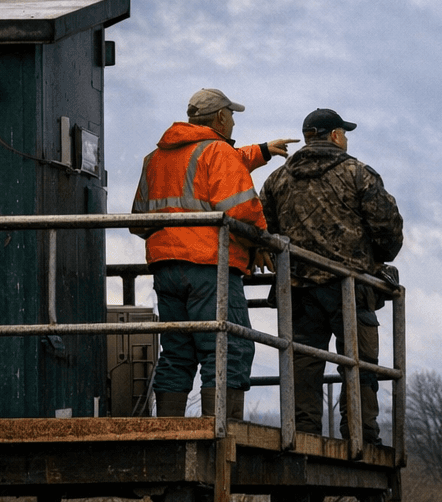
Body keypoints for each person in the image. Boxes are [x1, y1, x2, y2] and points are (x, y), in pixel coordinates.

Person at [131, 88, 297, 418]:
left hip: (166, 268)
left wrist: (262, 151)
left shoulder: (156, 158)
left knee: (177, 352)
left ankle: (169, 435)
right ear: (221, 117)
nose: (234, 121)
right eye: (232, 115)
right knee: (227, 349)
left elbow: (139, 220)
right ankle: (221, 436)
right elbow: (242, 211)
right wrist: (261, 244)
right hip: (209, 266)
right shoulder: (218, 152)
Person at [259, 107, 403, 445]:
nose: (346, 139)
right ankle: (360, 435)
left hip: (297, 288)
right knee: (360, 364)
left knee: (303, 365)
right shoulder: (358, 174)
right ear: (335, 136)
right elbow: (388, 228)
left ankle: (303, 435)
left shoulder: (277, 180)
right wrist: (376, 260)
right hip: (350, 287)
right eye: (345, 133)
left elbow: (264, 226)